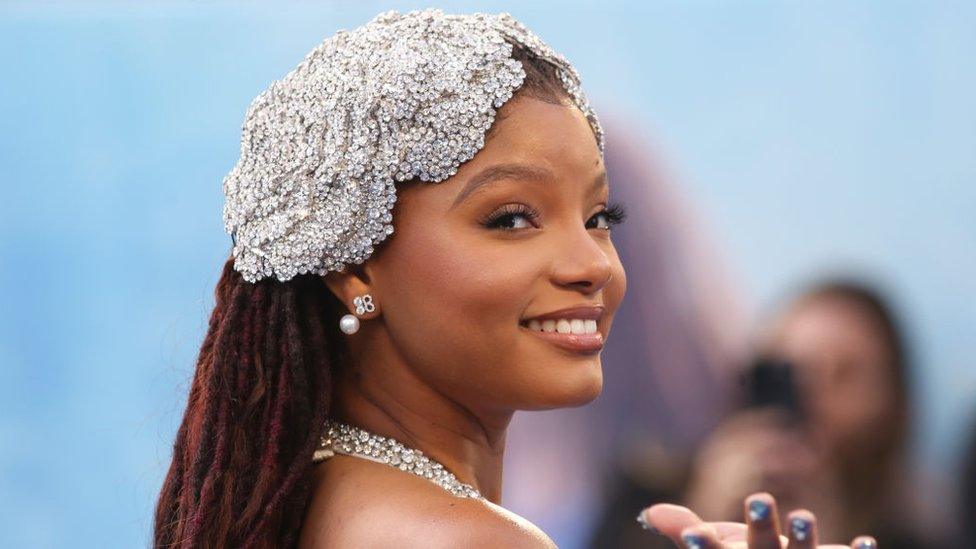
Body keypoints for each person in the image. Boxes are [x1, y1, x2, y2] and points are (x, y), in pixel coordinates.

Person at [153, 9, 875, 548]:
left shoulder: (313, 496)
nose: (592, 263)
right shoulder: (467, 538)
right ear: (353, 265)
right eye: (511, 218)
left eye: (600, 214)